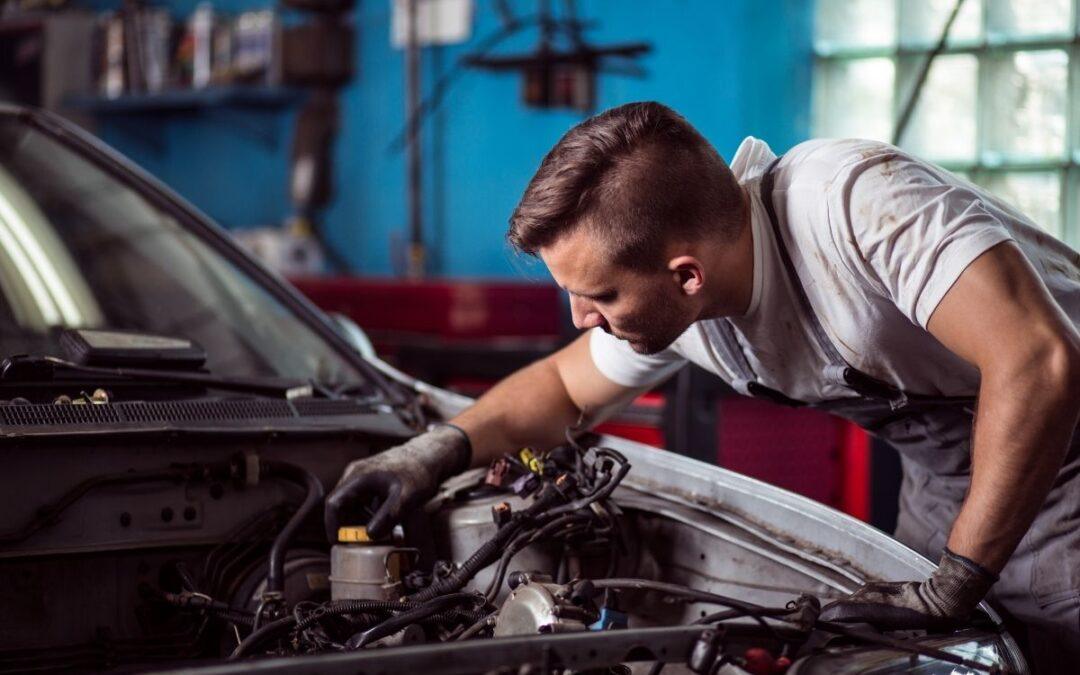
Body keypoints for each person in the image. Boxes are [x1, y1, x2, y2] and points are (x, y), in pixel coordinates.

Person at [325, 102, 1080, 671]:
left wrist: (956, 579)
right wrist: (433, 450)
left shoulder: (859, 205)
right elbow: (565, 388)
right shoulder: (689, 301)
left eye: (600, 297)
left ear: (685, 274)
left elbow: (1038, 360)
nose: (582, 318)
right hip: (951, 473)